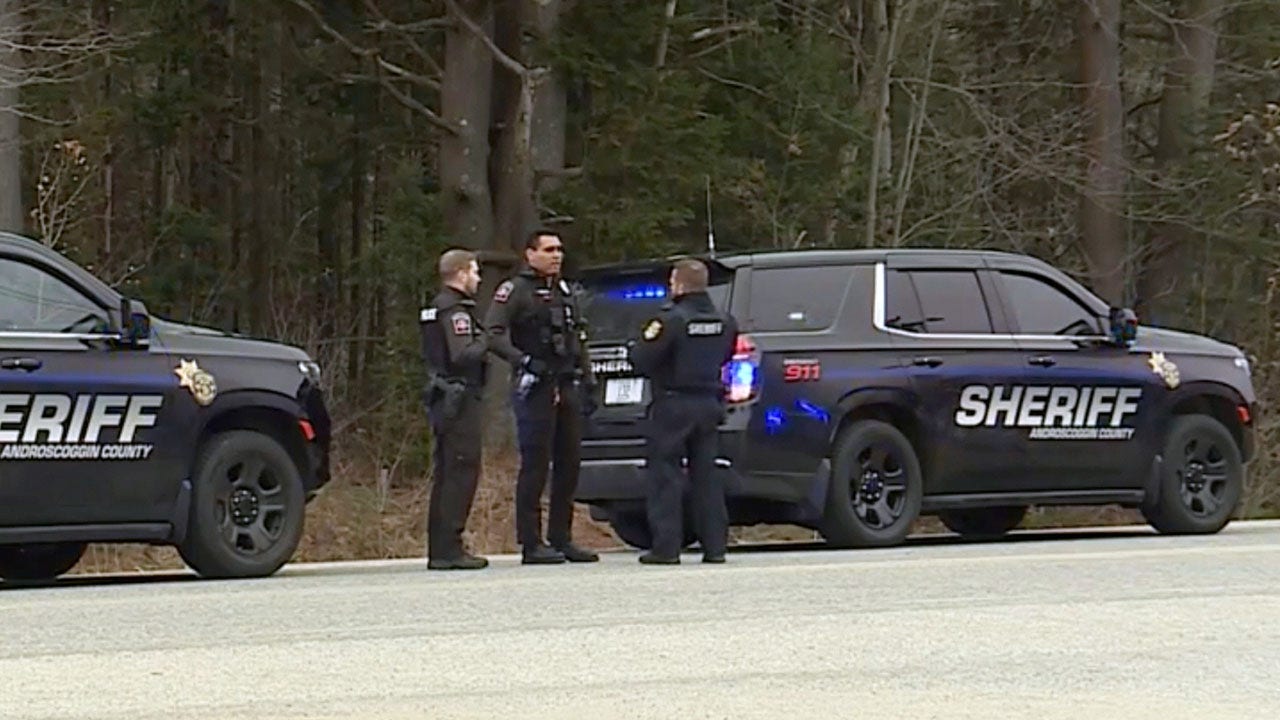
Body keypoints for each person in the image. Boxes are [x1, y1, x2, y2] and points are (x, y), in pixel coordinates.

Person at [484, 229, 600, 565]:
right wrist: (523, 360)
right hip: (535, 385)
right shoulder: (515, 290)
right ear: (530, 254)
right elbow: (493, 333)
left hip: (566, 383)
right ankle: (531, 541)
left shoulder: (564, 291)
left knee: (569, 463)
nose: (556, 255)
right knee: (535, 464)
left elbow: (578, 336)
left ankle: (562, 537)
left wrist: (588, 379)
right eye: (548, 250)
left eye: (559, 249)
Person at [628, 257, 739, 564]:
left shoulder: (671, 319)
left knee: (665, 475)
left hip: (674, 404)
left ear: (678, 284)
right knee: (707, 476)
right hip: (709, 403)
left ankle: (666, 548)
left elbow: (642, 359)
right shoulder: (725, 320)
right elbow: (727, 355)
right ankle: (715, 546)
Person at [419, 248, 489, 570]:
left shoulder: (435, 307)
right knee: (461, 469)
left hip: (443, 396)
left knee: (447, 471)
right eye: (474, 272)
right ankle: (450, 547)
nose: (478, 278)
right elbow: (462, 354)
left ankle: (441, 547)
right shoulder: (455, 311)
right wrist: (486, 339)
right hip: (458, 398)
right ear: (461, 273)